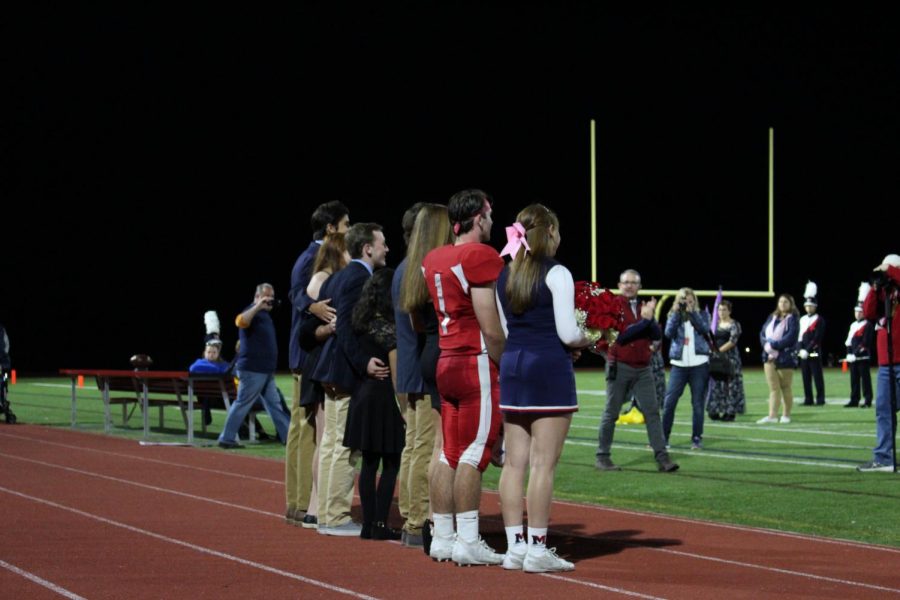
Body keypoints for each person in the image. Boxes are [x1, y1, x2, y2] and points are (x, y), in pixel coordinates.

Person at [495, 204, 589, 573]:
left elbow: (504, 332)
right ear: (549, 231)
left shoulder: (505, 274)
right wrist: (591, 338)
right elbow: (568, 333)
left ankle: (515, 546)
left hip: (514, 367)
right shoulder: (558, 272)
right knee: (542, 464)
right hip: (548, 368)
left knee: (514, 462)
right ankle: (537, 548)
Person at [422, 189, 506, 566]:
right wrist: (507, 363)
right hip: (475, 361)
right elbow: (489, 324)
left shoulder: (434, 257)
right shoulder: (479, 256)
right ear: (476, 218)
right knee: (474, 452)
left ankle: (443, 536)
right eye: (488, 214)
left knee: (447, 452)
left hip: (445, 360)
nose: (492, 221)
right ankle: (468, 540)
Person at [315, 222, 390, 536]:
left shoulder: (338, 276)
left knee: (333, 444)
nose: (387, 248)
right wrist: (363, 363)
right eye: (382, 243)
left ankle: (328, 514)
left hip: (332, 370)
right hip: (346, 372)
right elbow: (344, 327)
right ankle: (335, 517)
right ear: (367, 248)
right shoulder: (359, 278)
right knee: (345, 447)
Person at [286, 201, 348, 526]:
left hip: (308, 350)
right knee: (304, 429)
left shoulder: (315, 256)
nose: (349, 230)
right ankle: (300, 502)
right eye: (346, 224)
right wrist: (313, 308)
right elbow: (296, 293)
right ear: (331, 228)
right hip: (307, 353)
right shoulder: (312, 257)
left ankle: (301, 503)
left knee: (305, 429)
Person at [398, 203, 454, 554]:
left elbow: (418, 323)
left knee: (421, 446)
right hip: (445, 355)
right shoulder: (436, 267)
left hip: (424, 356)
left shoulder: (408, 270)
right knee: (440, 446)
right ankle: (432, 522)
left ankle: (421, 521)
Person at [343, 267, 405, 540]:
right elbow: (396, 374)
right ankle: (380, 524)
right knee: (391, 463)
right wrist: (405, 410)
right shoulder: (388, 328)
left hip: (362, 396)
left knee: (368, 463)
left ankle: (369, 524)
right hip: (382, 399)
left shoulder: (361, 322)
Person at [595, 270, 679, 473]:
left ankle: (662, 458)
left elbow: (657, 335)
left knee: (652, 413)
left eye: (634, 282)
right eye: (626, 282)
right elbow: (622, 336)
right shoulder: (613, 306)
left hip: (643, 368)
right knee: (611, 412)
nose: (629, 286)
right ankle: (602, 456)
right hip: (620, 365)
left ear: (640, 286)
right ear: (619, 285)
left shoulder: (644, 307)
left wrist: (651, 324)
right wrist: (646, 321)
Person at [392, 202, 435, 548]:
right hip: (421, 364)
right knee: (423, 446)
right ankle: (418, 520)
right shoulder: (417, 269)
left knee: (413, 446)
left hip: (409, 364)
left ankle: (411, 516)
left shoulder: (404, 267)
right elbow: (417, 323)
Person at [217, 284, 292, 448]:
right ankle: (226, 438)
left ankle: (289, 439)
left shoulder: (264, 315)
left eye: (272, 297)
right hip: (252, 370)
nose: (270, 301)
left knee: (275, 405)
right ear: (257, 297)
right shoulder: (252, 311)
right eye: (267, 297)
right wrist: (258, 305)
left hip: (265, 371)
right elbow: (240, 321)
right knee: (243, 403)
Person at [857, 254, 900, 472]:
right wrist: (875, 286)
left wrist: (890, 270)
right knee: (884, 410)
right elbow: (868, 311)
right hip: (886, 362)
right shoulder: (884, 291)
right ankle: (884, 458)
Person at [661, 287, 711, 450]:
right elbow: (668, 333)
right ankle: (664, 437)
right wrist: (676, 313)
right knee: (669, 402)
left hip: (699, 364)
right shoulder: (673, 315)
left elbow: (704, 329)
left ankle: (696, 438)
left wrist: (692, 313)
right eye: (684, 301)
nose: (687, 304)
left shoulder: (702, 314)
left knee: (697, 404)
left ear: (694, 301)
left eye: (690, 301)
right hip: (679, 365)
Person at [758, 294, 800, 424]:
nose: (782, 304)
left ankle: (786, 415)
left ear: (790, 304)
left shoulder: (793, 319)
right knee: (773, 388)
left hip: (785, 357)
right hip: (769, 356)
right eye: (780, 301)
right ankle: (772, 416)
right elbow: (762, 333)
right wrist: (766, 344)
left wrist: (773, 345)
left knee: (785, 387)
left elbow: (791, 337)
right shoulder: (772, 317)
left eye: (785, 302)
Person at [706, 300, 746, 421]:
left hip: (730, 359)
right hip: (717, 359)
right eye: (719, 310)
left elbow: (733, 341)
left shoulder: (734, 324)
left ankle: (730, 412)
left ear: (729, 311)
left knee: (731, 385)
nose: (721, 312)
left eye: (724, 309)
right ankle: (715, 409)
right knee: (717, 384)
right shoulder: (715, 324)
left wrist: (718, 351)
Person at [844, 284, 874, 408]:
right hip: (853, 358)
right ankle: (854, 399)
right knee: (854, 379)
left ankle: (867, 400)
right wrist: (849, 353)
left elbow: (865, 342)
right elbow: (849, 341)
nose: (858, 314)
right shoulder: (852, 325)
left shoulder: (868, 325)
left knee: (865, 380)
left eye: (860, 312)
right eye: (856, 311)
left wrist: (855, 354)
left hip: (863, 357)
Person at [798, 281, 826, 406]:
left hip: (814, 353)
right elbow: (799, 336)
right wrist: (799, 349)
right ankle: (808, 399)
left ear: (815, 306)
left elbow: (817, 338)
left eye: (811, 305)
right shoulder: (802, 319)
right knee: (805, 377)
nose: (808, 308)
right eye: (807, 305)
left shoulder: (819, 319)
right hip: (803, 354)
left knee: (817, 376)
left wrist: (807, 350)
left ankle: (820, 399)